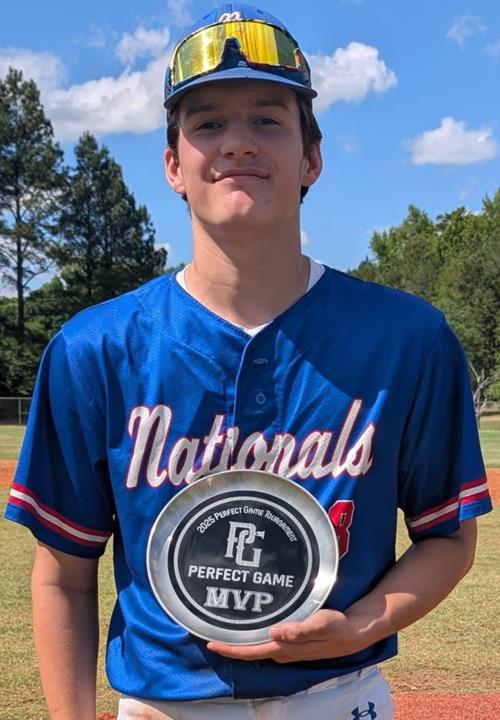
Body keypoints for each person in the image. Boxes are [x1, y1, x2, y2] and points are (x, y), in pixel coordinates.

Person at [5, 4, 493, 720]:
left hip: (339, 699)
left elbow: (447, 537)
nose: (237, 142)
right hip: (163, 708)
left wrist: (357, 627)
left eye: (268, 119)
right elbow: (62, 576)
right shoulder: (94, 349)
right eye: (207, 124)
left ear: (311, 158)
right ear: (174, 165)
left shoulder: (408, 338)